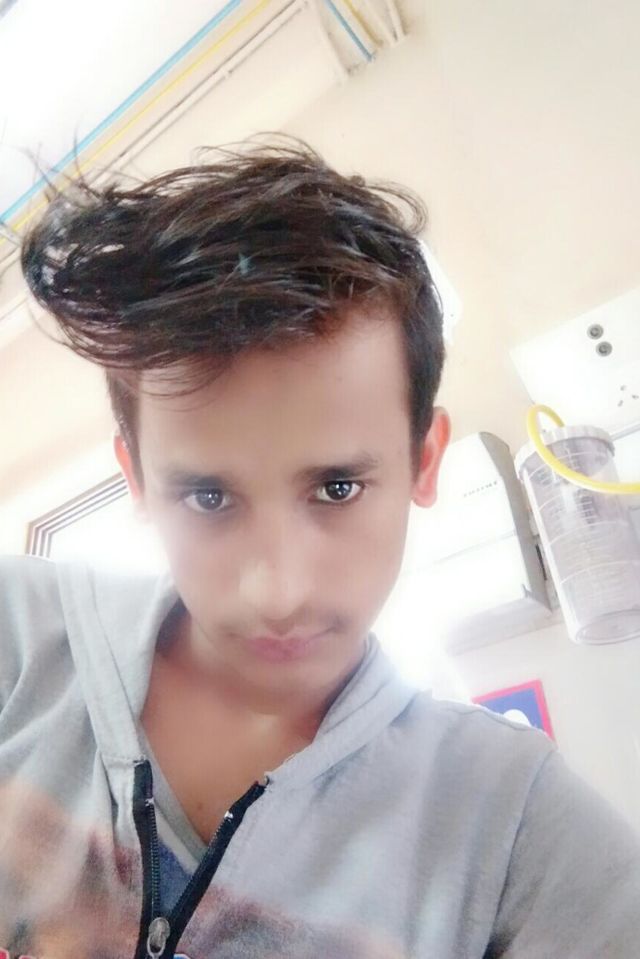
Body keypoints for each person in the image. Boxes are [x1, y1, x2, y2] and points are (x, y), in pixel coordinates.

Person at [1, 137, 639, 959]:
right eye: (208, 497)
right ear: (137, 479)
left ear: (423, 461)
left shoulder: (513, 821)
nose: (278, 590)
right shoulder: (19, 638)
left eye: (337, 488)